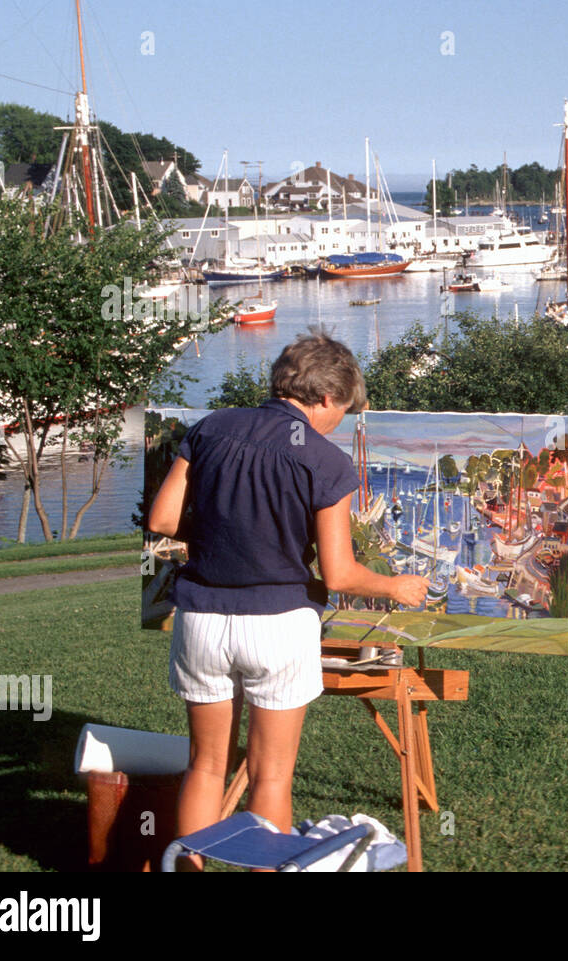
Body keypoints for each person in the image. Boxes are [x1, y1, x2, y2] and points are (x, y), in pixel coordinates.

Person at [147, 331, 427, 866]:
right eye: (342, 411)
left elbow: (162, 520)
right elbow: (340, 573)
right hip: (278, 622)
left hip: (201, 617)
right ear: (325, 398)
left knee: (206, 764)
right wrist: (395, 586)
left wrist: (222, 526)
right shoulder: (325, 462)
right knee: (270, 774)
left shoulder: (210, 429)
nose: (338, 423)